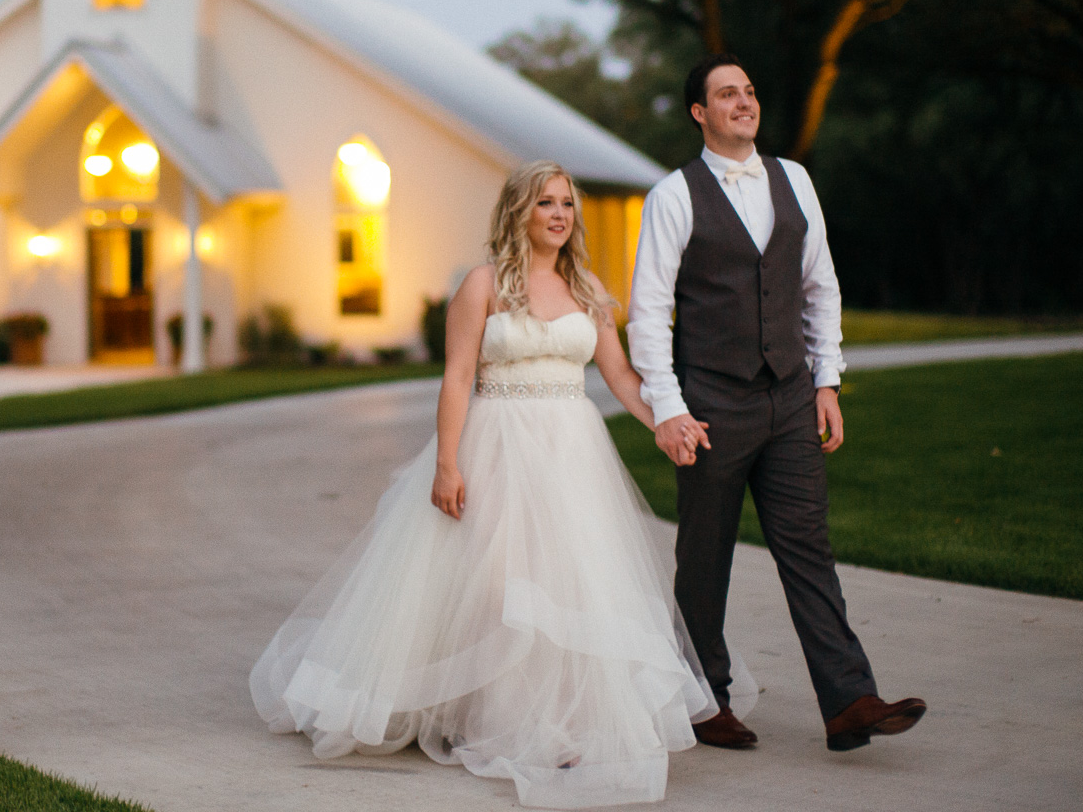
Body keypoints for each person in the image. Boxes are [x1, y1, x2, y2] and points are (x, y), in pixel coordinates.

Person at [252, 161, 752, 809]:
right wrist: (446, 464)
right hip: (494, 445)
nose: (558, 214)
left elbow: (622, 377)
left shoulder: (587, 290)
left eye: (566, 204)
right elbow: (458, 376)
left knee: (563, 583)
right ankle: (493, 713)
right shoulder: (481, 285)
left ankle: (556, 721)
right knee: (494, 583)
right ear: (517, 210)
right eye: (544, 202)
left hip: (570, 452)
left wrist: (667, 421)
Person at [626, 53, 925, 753]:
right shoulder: (672, 195)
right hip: (709, 405)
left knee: (808, 549)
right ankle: (704, 704)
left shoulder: (794, 179)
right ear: (699, 113)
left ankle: (848, 698)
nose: (743, 102)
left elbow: (820, 285)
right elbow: (647, 311)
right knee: (704, 558)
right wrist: (667, 407)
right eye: (726, 94)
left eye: (749, 91)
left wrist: (826, 381)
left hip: (789, 397)